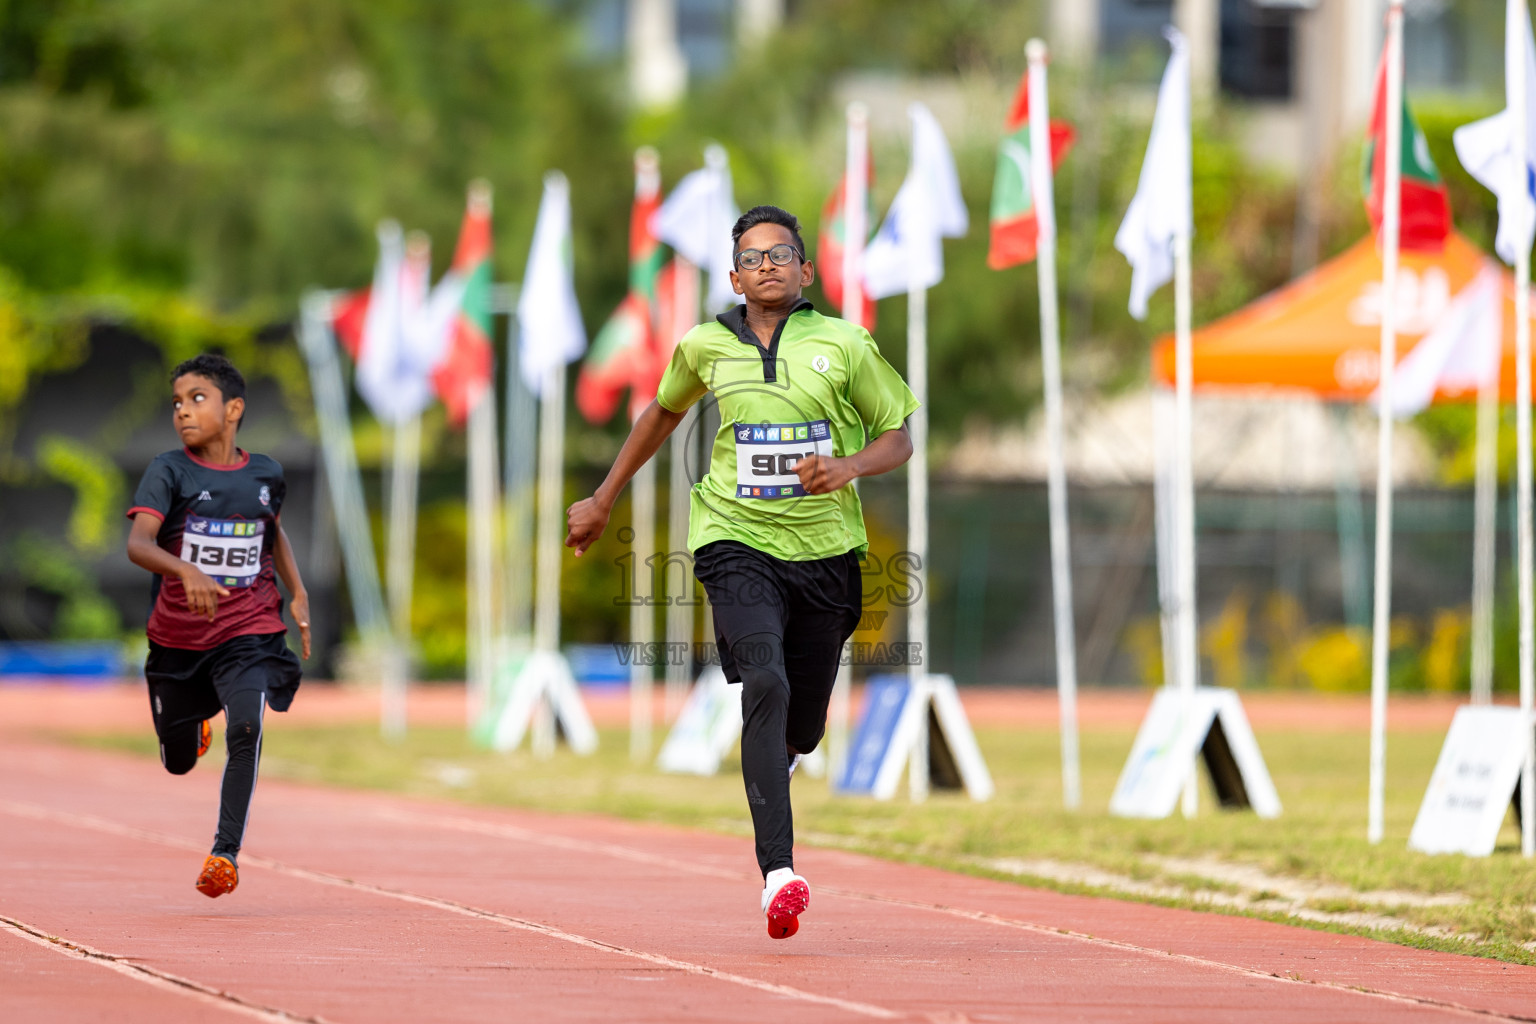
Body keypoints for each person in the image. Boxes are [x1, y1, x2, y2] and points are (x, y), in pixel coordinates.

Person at [566, 205, 917, 939]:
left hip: (826, 553)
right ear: (734, 276)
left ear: (806, 269)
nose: (768, 267)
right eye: (753, 258)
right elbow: (660, 416)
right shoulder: (702, 345)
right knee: (764, 680)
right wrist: (603, 498)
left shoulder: (845, 343)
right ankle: (779, 875)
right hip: (733, 539)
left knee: (803, 727)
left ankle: (780, 757)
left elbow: (899, 437)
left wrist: (847, 466)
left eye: (781, 255)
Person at [125, 353, 311, 898]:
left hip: (247, 630)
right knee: (179, 763)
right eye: (177, 402)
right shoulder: (169, 470)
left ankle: (224, 854)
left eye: (196, 399)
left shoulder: (265, 473)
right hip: (177, 642)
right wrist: (185, 568)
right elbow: (139, 545)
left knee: (247, 728)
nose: (183, 411)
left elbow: (271, 530)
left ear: (234, 409)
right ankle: (191, 725)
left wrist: (297, 592)